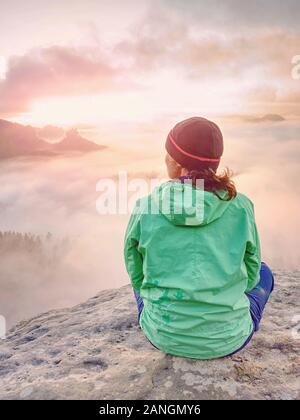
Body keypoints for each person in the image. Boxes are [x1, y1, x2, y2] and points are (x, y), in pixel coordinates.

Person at [124, 117, 274, 359]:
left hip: (162, 335)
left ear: (175, 162)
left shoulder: (145, 206)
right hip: (228, 340)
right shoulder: (241, 206)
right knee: (266, 273)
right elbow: (252, 271)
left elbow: (136, 273)